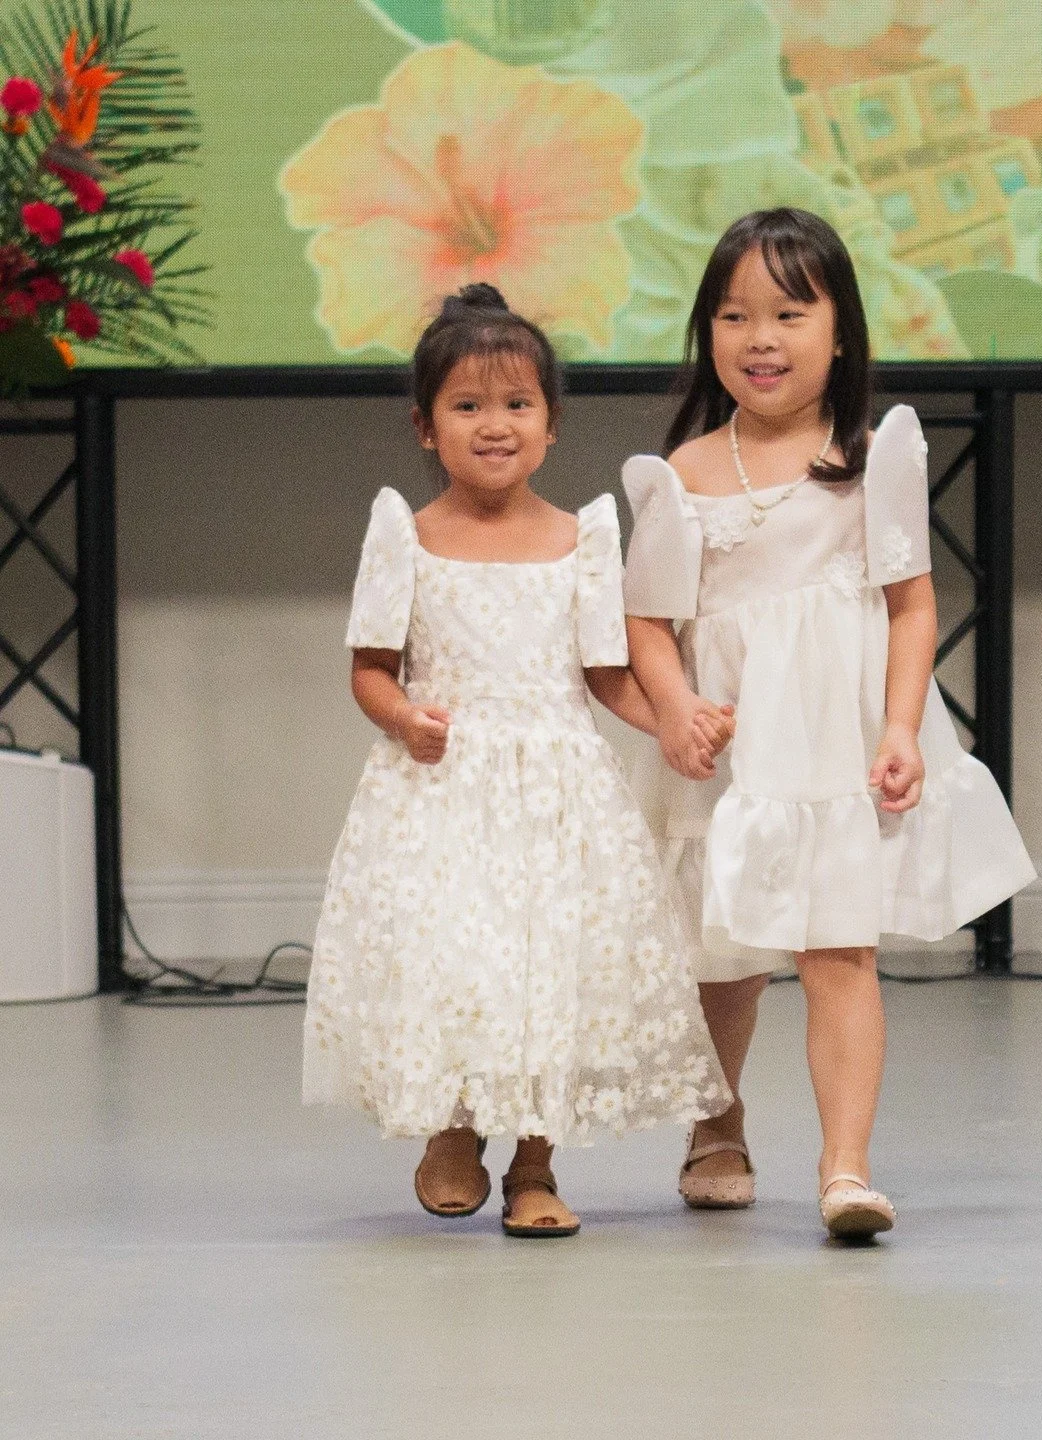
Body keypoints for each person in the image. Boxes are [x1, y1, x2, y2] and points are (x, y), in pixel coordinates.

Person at [622, 209, 1036, 1239]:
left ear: (841, 331)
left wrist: (900, 727)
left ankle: (845, 1167)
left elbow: (910, 605)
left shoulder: (869, 457)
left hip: (835, 740)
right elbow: (646, 622)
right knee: (727, 954)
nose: (760, 338)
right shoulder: (683, 471)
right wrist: (674, 708)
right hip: (733, 745)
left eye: (789, 313)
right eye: (734, 315)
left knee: (837, 947)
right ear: (706, 334)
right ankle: (715, 1125)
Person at [303, 284, 731, 1238]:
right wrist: (404, 718)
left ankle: (536, 1163)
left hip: (556, 798)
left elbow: (604, 675)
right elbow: (370, 670)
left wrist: (671, 718)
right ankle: (453, 1130)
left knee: (550, 970)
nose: (493, 426)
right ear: (425, 426)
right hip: (444, 793)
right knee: (456, 959)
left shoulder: (581, 539)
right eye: (466, 406)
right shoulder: (406, 538)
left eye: (515, 405)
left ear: (549, 425)